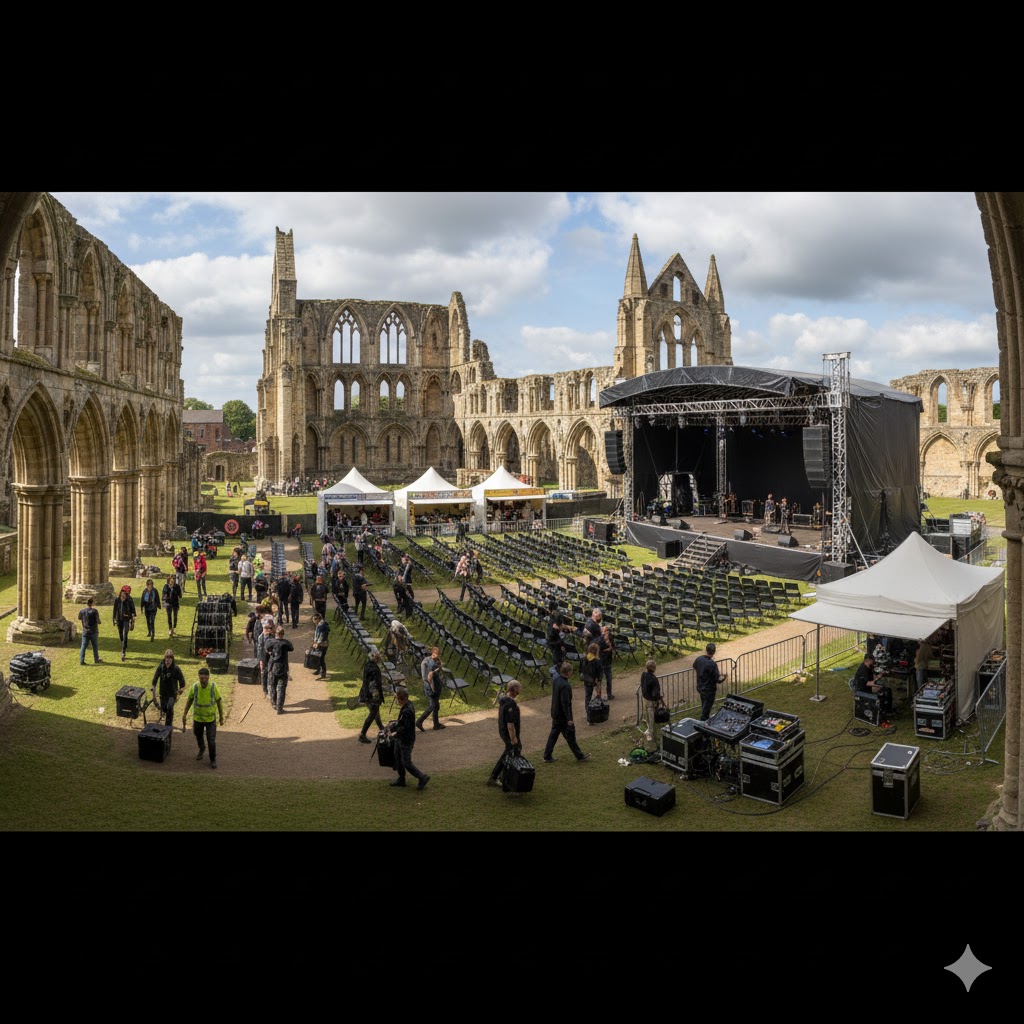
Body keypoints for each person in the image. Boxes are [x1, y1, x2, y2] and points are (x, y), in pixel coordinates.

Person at [542, 662, 590, 763]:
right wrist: (569, 718)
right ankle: (579, 756)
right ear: (568, 672)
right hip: (562, 716)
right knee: (569, 735)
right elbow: (565, 703)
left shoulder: (556, 680)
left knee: (554, 735)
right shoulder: (565, 686)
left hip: (555, 712)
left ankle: (547, 755)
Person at [387, 687, 430, 790]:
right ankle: (401, 779)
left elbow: (405, 727)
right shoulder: (408, 705)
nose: (397, 701)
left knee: (406, 762)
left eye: (397, 699)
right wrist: (394, 725)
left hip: (406, 739)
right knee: (398, 757)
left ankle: (422, 777)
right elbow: (403, 722)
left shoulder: (407, 710)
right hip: (402, 738)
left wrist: (394, 732)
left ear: (401, 699)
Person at [181, 667, 224, 769]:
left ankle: (213, 759)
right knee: (198, 735)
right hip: (198, 719)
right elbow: (189, 701)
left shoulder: (213, 687)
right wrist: (184, 714)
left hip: (210, 720)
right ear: (199, 678)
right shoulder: (195, 687)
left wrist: (221, 717)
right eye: (201, 679)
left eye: (205, 679)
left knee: (211, 741)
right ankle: (202, 748)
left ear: (208, 678)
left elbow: (219, 702)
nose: (203, 681)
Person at [488, 680, 523, 787]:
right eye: (519, 689)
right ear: (514, 690)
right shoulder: (510, 703)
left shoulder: (503, 699)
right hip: (508, 733)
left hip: (503, 731)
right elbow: (510, 724)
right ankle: (496, 777)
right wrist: (513, 739)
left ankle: (505, 775)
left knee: (513, 750)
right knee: (511, 751)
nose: (520, 691)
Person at [151, 649, 186, 729]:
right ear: (164, 658)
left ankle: (168, 727)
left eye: (170, 658)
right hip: (163, 693)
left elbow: (182, 681)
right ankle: (168, 719)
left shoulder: (176, 669)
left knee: (170, 707)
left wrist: (181, 689)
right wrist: (153, 689)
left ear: (172, 659)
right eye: (167, 658)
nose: (168, 660)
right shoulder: (161, 667)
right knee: (164, 708)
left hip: (172, 694)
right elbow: (155, 679)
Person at [265, 625, 295, 714]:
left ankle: (273, 702)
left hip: (272, 666)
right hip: (283, 667)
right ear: (283, 634)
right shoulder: (286, 643)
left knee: (272, 686)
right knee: (281, 688)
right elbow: (291, 648)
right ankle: (279, 708)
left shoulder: (269, 642)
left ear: (275, 633)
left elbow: (266, 648)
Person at [358, 651, 385, 744]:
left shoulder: (367, 665)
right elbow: (377, 684)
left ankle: (382, 728)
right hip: (372, 695)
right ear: (377, 659)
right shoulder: (375, 669)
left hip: (365, 692)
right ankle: (362, 734)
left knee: (375, 712)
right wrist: (380, 696)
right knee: (373, 713)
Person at [417, 646, 446, 732]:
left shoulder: (426, 660)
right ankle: (419, 721)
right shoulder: (432, 663)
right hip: (433, 687)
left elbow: (424, 676)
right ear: (434, 653)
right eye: (437, 654)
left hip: (428, 686)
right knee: (433, 705)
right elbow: (431, 675)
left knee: (435, 705)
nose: (438, 656)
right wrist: (438, 668)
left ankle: (436, 724)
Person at [694, 642, 725, 721]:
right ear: (714, 652)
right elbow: (718, 680)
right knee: (706, 710)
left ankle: (705, 718)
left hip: (700, 686)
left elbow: (694, 666)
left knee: (704, 704)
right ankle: (703, 724)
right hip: (709, 690)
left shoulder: (699, 659)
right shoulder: (712, 664)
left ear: (706, 650)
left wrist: (702, 672)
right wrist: (724, 677)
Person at [580, 642, 604, 725]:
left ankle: (588, 716)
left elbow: (581, 670)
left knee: (587, 698)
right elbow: (599, 675)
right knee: (596, 699)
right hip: (594, 682)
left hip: (586, 681)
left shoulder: (583, 658)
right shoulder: (597, 661)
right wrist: (599, 686)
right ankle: (594, 716)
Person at [112, 585, 137, 662]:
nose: (124, 596)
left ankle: (123, 652)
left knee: (125, 634)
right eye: (123, 595)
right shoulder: (117, 600)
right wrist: (113, 619)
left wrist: (132, 622)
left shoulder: (129, 600)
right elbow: (115, 610)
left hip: (126, 619)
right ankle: (124, 644)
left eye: (125, 595)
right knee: (121, 635)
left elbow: (133, 611)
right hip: (119, 620)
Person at [640, 659, 663, 741]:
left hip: (645, 698)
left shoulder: (643, 674)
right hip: (651, 700)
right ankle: (651, 733)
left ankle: (649, 730)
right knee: (651, 717)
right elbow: (656, 691)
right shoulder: (653, 679)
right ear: (654, 668)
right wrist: (658, 698)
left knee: (648, 715)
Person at [78, 598, 102, 665]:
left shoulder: (82, 611)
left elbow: (79, 618)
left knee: (83, 646)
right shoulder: (94, 611)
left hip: (85, 631)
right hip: (93, 631)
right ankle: (96, 659)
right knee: (95, 646)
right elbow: (98, 621)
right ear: (92, 603)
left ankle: (81, 660)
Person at [311, 612, 330, 680]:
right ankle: (318, 670)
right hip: (323, 644)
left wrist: (317, 643)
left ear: (317, 619)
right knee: (319, 658)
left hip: (322, 645)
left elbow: (322, 636)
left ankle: (323, 673)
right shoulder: (321, 624)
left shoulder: (321, 626)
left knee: (321, 659)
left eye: (314, 619)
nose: (313, 621)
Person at [599, 624, 616, 700]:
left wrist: (609, 646)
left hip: (608, 661)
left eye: (608, 630)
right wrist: (609, 648)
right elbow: (601, 649)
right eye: (605, 630)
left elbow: (613, 646)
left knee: (609, 679)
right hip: (601, 662)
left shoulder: (610, 637)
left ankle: (609, 694)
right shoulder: (599, 639)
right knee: (600, 679)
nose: (607, 632)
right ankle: (598, 695)